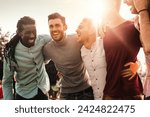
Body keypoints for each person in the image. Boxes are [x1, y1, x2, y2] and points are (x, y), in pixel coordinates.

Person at [43, 12, 94, 100]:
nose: (54, 29)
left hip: (86, 90)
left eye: (57, 25)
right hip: (65, 93)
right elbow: (39, 62)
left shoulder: (77, 39)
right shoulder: (48, 49)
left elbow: (95, 45)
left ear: (65, 27)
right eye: (51, 26)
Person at [100, 0, 143, 99]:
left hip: (131, 92)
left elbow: (146, 53)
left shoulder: (133, 27)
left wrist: (137, 65)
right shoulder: (103, 31)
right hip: (110, 92)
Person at [2, 16, 50, 100]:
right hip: (23, 96)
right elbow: (7, 82)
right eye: (28, 32)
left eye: (34, 31)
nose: (32, 36)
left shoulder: (43, 39)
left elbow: (60, 41)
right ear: (19, 33)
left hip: (43, 91)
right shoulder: (10, 53)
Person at [123, 0, 150, 99]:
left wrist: (143, 10)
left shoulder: (143, 16)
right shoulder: (137, 22)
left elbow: (148, 46)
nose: (124, 2)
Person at [76, 18, 107, 99]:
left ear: (91, 30)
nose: (76, 30)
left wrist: (135, 65)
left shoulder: (104, 43)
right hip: (96, 98)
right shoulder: (82, 51)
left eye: (80, 27)